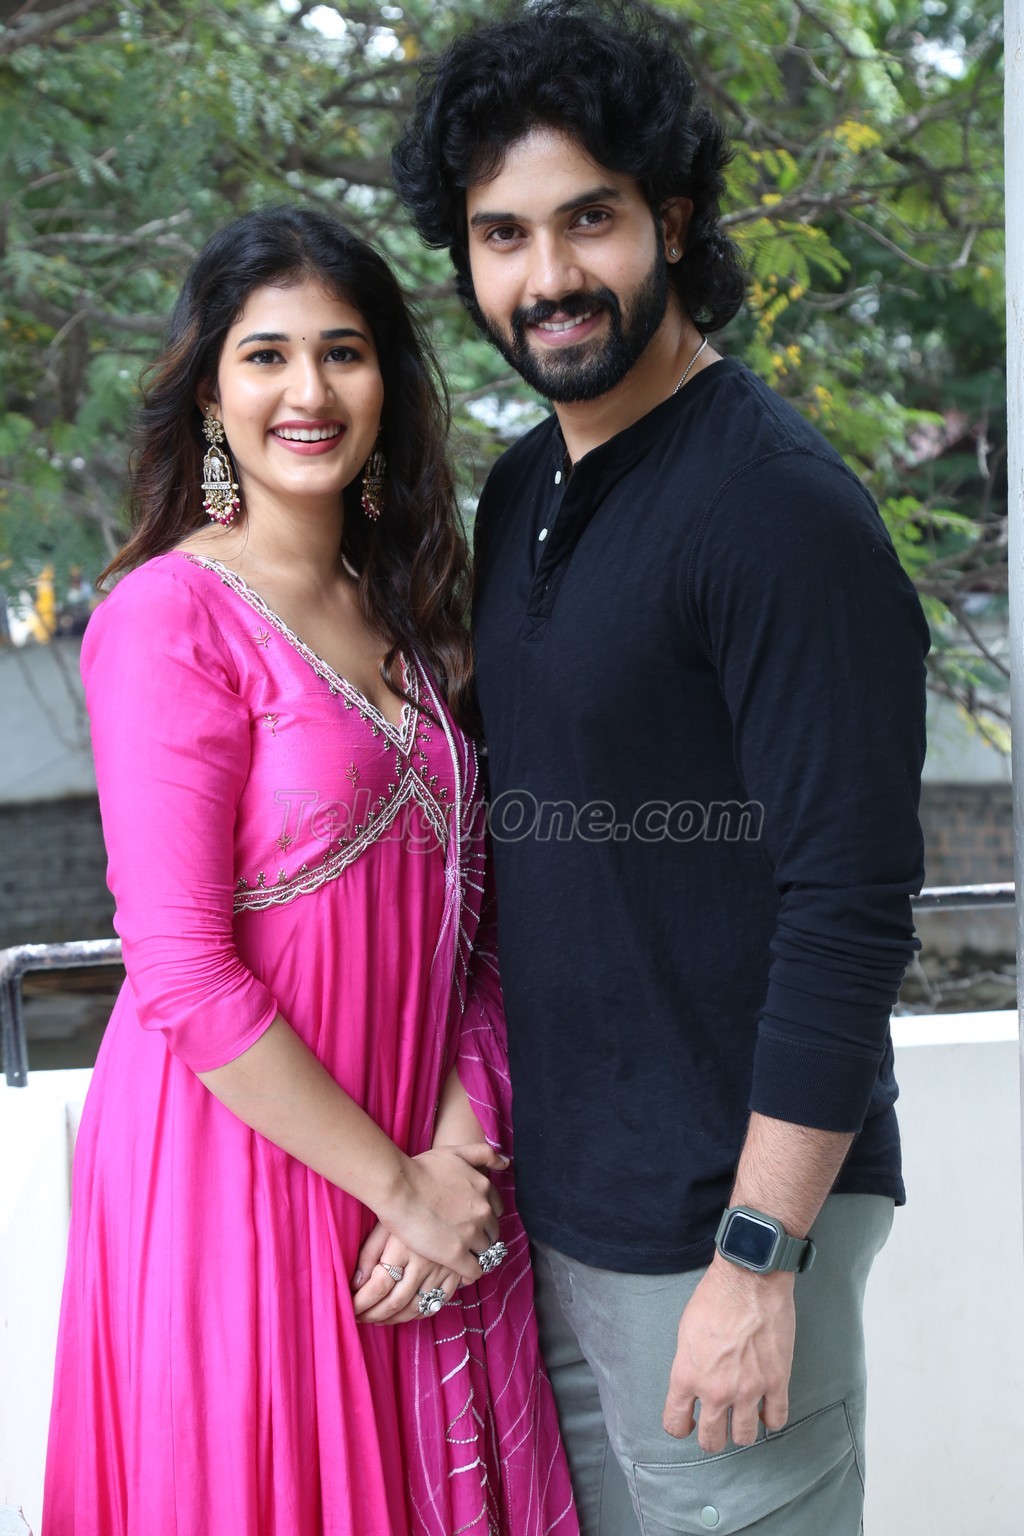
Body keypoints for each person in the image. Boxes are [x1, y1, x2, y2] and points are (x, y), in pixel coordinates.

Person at [391, 4, 930, 1533]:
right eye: (503, 235)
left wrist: (760, 1258)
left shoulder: (779, 510)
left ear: (672, 223)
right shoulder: (521, 491)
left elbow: (851, 906)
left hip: (729, 1227)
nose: (548, 276)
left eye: (589, 219)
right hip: (570, 1214)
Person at [43, 206, 577, 1536]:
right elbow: (180, 967)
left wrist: (451, 1150)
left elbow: (470, 924)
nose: (309, 392)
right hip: (235, 1168)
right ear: (209, 395)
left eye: (342, 352)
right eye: (266, 356)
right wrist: (397, 1186)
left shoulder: (412, 610)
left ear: (384, 381)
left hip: (415, 1161)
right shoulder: (166, 617)